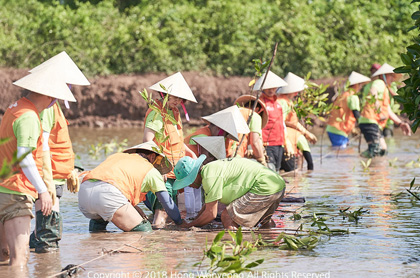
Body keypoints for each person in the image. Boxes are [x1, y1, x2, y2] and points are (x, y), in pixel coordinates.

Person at [0, 62, 76, 267]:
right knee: (19, 260)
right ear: (51, 96)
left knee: (4, 255)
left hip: (4, 188)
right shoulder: (29, 117)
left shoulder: (14, 108)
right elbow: (24, 158)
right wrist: (43, 191)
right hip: (16, 191)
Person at [28, 51, 90, 253]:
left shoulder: (53, 106)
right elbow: (43, 146)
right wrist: (46, 185)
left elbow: (56, 143)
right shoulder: (46, 108)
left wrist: (69, 169)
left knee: (46, 231)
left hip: (56, 174)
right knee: (48, 238)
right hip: (49, 176)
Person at [78, 142, 184, 232]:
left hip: (84, 192)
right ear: (152, 157)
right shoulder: (150, 170)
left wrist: (135, 209)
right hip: (108, 194)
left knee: (100, 223)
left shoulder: (117, 157)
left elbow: (113, 184)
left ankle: (93, 246)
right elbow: (167, 203)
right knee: (143, 230)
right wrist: (180, 222)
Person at [142, 72, 197, 228]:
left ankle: (165, 246)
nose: (178, 102)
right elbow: (147, 141)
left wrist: (189, 152)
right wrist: (160, 167)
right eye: (174, 98)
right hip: (162, 172)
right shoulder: (157, 113)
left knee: (169, 213)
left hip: (174, 172)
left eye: (180, 99)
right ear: (164, 94)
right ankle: (159, 248)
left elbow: (176, 140)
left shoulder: (173, 112)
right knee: (162, 212)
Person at [174, 156, 286, 230]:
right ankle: (271, 247)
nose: (189, 186)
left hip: (264, 186)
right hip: (276, 184)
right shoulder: (210, 169)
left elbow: (210, 214)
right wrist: (195, 220)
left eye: (187, 182)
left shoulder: (209, 177)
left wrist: (189, 226)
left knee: (228, 216)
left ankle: (234, 251)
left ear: (193, 176)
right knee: (265, 221)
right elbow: (208, 206)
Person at [358, 63, 412, 158]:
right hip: (369, 120)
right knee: (375, 149)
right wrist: (376, 104)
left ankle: (373, 166)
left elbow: (388, 110)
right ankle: (362, 165)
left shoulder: (385, 89)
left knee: (383, 150)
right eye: (392, 76)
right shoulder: (380, 83)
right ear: (385, 75)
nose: (393, 78)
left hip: (375, 122)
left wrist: (400, 123)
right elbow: (373, 90)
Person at [253, 71, 290, 172]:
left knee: (277, 171)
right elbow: (256, 125)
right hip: (266, 144)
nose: (271, 90)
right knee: (270, 170)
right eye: (268, 87)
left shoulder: (278, 103)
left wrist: (287, 143)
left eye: (273, 87)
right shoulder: (260, 103)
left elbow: (282, 124)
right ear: (263, 87)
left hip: (279, 143)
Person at [326, 71, 370, 148]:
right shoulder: (353, 97)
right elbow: (356, 113)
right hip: (338, 129)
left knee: (341, 150)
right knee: (341, 153)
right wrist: (363, 127)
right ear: (356, 85)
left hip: (332, 128)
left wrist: (353, 128)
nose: (361, 88)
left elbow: (343, 113)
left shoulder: (343, 95)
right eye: (360, 85)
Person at [230, 95, 268, 166]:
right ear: (257, 109)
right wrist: (261, 160)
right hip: (235, 155)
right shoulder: (254, 115)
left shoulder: (233, 112)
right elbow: (255, 142)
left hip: (222, 153)